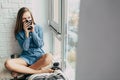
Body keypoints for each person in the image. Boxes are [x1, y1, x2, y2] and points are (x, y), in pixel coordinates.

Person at [4, 7, 54, 78]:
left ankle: (23, 71)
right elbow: (25, 49)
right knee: (7, 63)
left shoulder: (38, 28)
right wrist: (26, 33)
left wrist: (33, 32)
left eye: (29, 17)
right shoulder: (19, 32)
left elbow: (40, 45)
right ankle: (39, 71)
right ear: (20, 20)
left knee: (49, 56)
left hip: (39, 55)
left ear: (31, 17)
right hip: (26, 57)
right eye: (24, 19)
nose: (27, 20)